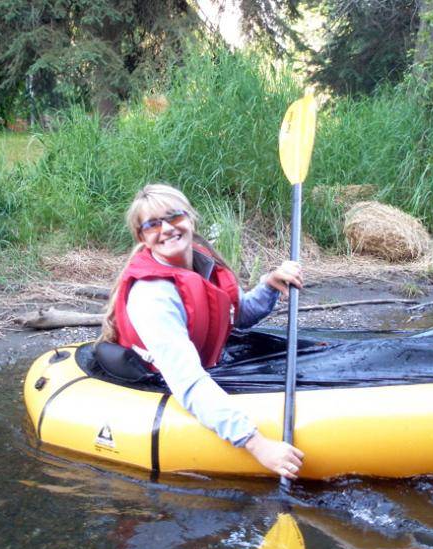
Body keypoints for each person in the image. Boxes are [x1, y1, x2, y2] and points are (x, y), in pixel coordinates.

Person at [99, 184, 305, 480]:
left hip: (205, 366)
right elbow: (189, 383)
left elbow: (237, 315)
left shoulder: (200, 261)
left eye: (174, 217)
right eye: (153, 224)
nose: (167, 228)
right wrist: (258, 445)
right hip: (162, 384)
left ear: (190, 219)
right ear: (142, 237)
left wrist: (270, 285)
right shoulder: (153, 296)